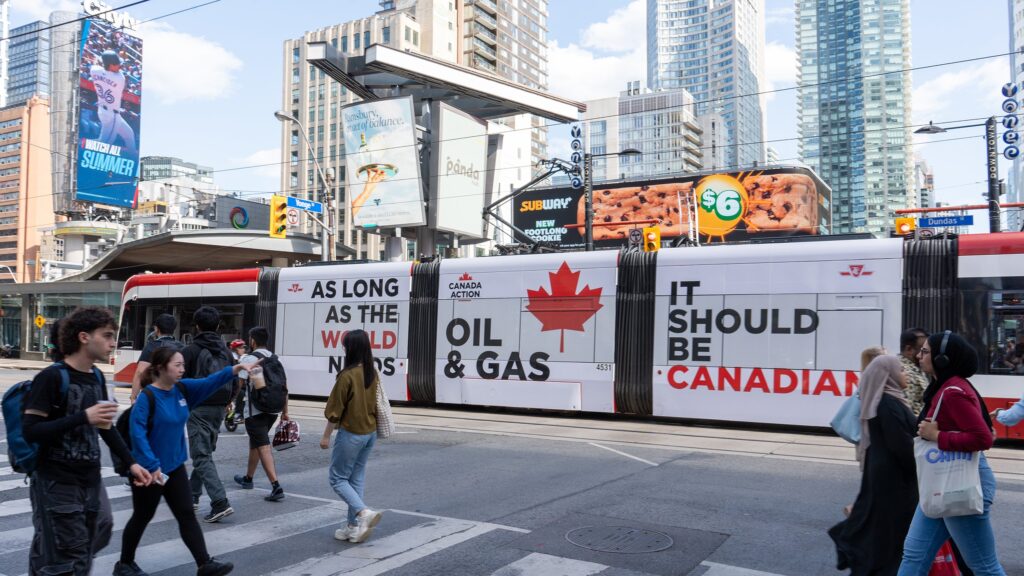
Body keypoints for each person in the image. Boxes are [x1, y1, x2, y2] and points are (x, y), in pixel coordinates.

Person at [22, 307, 152, 575]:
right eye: (106, 335)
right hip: (57, 480)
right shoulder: (52, 377)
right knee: (73, 554)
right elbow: (31, 430)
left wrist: (131, 463)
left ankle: (51, 563)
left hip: (90, 478)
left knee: (99, 530)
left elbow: (105, 427)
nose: (112, 342)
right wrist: (83, 416)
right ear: (84, 337)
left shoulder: (96, 376)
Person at [114, 347, 259, 576]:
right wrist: (152, 466)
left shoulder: (181, 389)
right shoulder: (147, 397)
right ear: (161, 368)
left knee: (186, 514)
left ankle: (204, 564)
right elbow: (137, 435)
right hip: (148, 471)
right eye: (177, 365)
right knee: (142, 516)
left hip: (174, 467)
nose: (182, 369)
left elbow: (209, 382)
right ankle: (124, 564)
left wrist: (235, 369)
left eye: (183, 364)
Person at [897, 331, 1006, 576]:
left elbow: (983, 438)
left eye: (925, 352)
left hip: (960, 485)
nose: (919, 356)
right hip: (941, 483)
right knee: (914, 555)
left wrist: (937, 436)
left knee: (984, 567)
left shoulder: (953, 391)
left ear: (943, 359)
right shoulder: (946, 386)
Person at [829, 355, 917, 575]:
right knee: (889, 533)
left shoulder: (887, 400)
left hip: (887, 474)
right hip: (895, 479)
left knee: (880, 529)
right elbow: (902, 447)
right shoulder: (888, 404)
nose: (906, 374)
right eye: (902, 370)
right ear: (889, 375)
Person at [321, 329, 383, 544]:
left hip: (352, 433)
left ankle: (363, 513)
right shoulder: (371, 371)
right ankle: (352, 527)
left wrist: (326, 436)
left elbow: (334, 410)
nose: (343, 348)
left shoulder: (347, 375)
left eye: (345, 345)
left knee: (337, 479)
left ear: (351, 348)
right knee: (355, 478)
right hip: (370, 433)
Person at [181, 306, 236, 522]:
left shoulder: (190, 350)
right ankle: (192, 496)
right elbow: (235, 379)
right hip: (220, 408)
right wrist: (229, 402)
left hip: (198, 408)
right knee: (204, 453)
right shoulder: (227, 351)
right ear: (218, 326)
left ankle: (220, 502)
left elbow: (180, 381)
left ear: (196, 326)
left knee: (201, 455)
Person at [233, 326, 287, 501]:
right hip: (272, 410)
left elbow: (240, 384)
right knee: (255, 443)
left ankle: (276, 486)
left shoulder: (249, 358)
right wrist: (285, 412)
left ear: (253, 340)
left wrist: (230, 401)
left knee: (262, 445)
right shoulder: (274, 358)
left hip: (255, 410)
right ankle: (248, 478)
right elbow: (284, 386)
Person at [88, 50, 137, 154]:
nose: (119, 65)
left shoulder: (94, 70)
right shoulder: (119, 78)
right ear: (110, 65)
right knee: (104, 144)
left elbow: (97, 65)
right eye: (116, 64)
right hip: (112, 115)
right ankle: (85, 146)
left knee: (129, 135)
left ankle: (132, 157)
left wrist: (104, 61)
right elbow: (116, 71)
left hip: (103, 111)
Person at [131, 314, 182, 403]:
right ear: (173, 329)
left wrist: (133, 397)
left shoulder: (151, 346)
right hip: (175, 396)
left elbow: (140, 373)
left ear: (156, 329)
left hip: (154, 397)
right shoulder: (181, 347)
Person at [898, 328, 929, 415]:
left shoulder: (916, 368)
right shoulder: (905, 373)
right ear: (909, 349)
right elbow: (904, 413)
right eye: (923, 350)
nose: (926, 354)